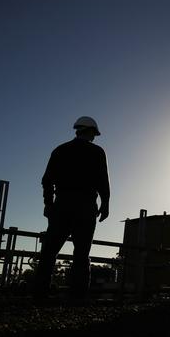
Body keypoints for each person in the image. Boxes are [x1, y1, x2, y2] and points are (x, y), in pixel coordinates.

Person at [34, 116, 110, 299]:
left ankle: (39, 294)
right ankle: (77, 298)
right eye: (94, 134)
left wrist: (49, 204)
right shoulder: (97, 152)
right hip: (85, 207)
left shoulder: (60, 150)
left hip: (62, 205)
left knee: (49, 252)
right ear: (90, 131)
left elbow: (47, 180)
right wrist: (105, 204)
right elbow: (103, 181)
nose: (94, 137)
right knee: (81, 254)